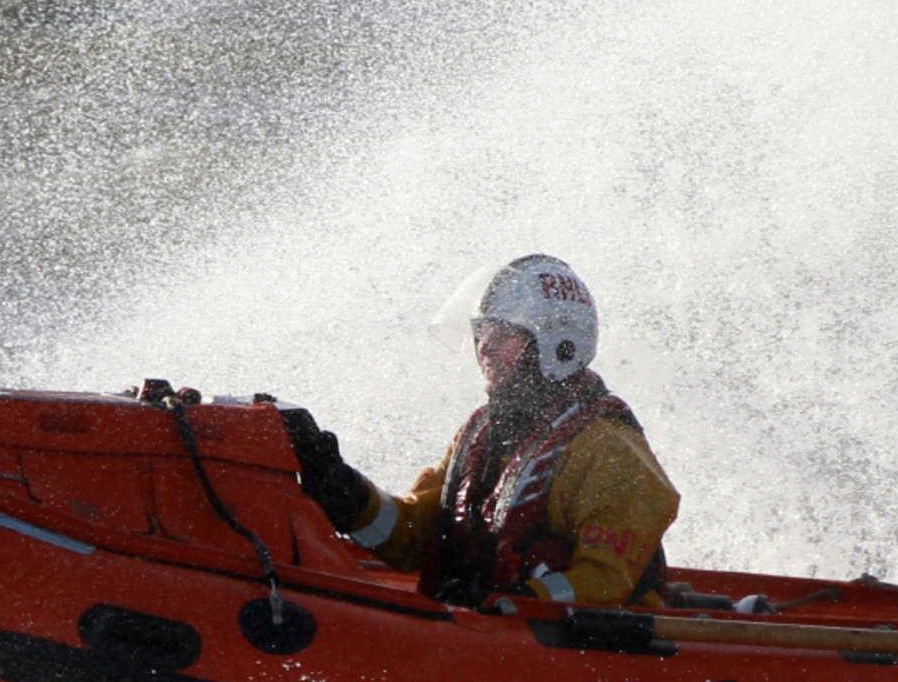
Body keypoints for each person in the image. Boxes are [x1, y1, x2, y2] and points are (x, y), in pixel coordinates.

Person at [282, 254, 681, 607]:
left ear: (558, 345)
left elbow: (607, 582)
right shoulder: (481, 433)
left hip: (570, 654)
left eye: (501, 334)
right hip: (484, 640)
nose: (483, 348)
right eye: (481, 332)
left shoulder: (608, 447)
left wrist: (518, 604)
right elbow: (414, 543)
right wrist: (344, 490)